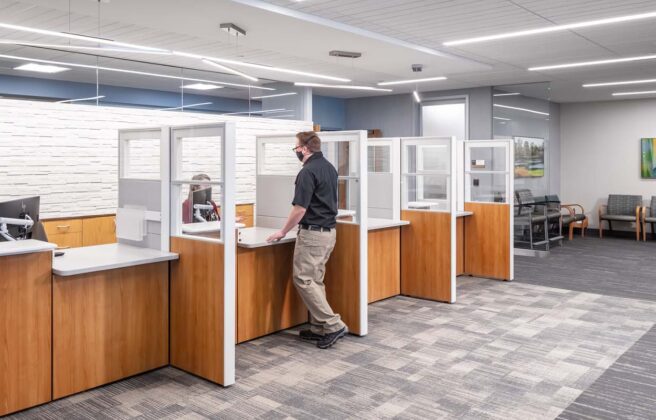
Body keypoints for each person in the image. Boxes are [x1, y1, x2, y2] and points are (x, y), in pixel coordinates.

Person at [266, 131, 347, 349]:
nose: (296, 152)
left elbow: (300, 209)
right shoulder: (329, 167)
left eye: (296, 148)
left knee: (304, 279)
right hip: (328, 232)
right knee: (315, 280)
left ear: (304, 149)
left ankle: (332, 324)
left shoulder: (307, 171)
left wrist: (282, 231)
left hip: (313, 234)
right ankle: (319, 327)